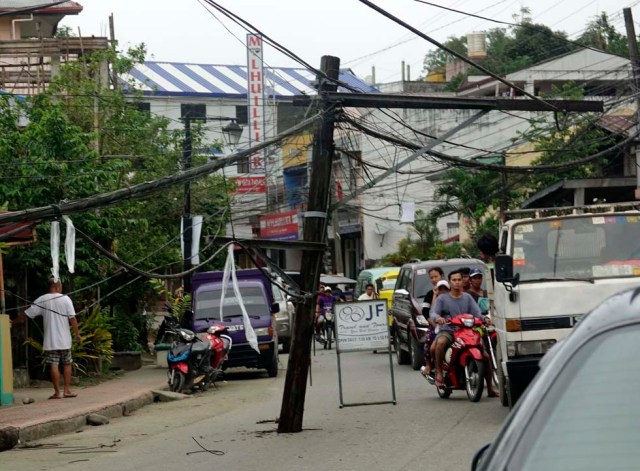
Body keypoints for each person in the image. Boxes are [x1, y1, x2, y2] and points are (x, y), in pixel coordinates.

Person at [12, 278, 81, 399]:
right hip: (65, 340)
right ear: (58, 286)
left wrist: (13, 322)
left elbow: (26, 314)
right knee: (67, 363)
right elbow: (73, 319)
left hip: (51, 340)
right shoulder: (66, 299)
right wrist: (77, 334)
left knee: (53, 364)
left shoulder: (42, 299)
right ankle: (66, 390)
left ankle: (57, 393)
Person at [430, 270, 486, 389]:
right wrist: (438, 318)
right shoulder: (442, 298)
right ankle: (439, 372)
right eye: (454, 280)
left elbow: (477, 313)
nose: (457, 282)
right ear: (450, 282)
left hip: (467, 331)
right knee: (440, 343)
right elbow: (433, 313)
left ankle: (491, 387)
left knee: (485, 354)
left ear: (463, 281)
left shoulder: (468, 297)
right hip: (448, 330)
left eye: (459, 280)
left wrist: (484, 318)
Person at [419, 267, 445, 380]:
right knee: (429, 341)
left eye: (436, 276)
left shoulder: (452, 292)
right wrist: (434, 325)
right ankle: (429, 365)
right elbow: (427, 312)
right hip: (435, 324)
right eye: (432, 277)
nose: (434, 279)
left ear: (442, 276)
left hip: (451, 325)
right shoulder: (430, 294)